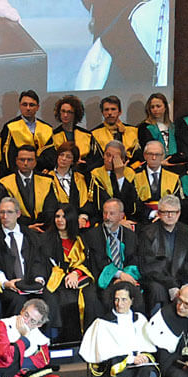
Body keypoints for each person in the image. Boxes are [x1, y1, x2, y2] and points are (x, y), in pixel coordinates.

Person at [137, 194, 188, 312]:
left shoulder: (186, 231)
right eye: (165, 212)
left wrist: (184, 283)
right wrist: (171, 284)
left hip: (182, 277)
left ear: (179, 213)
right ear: (158, 213)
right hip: (158, 279)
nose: (170, 215)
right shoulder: (147, 233)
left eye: (173, 212)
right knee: (156, 290)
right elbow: (149, 266)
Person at [43, 205, 98, 340]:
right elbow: (47, 264)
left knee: (90, 297)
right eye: (57, 217)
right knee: (66, 298)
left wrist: (76, 273)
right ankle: (66, 340)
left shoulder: (81, 239)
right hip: (57, 281)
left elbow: (87, 263)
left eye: (64, 217)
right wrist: (66, 276)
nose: (60, 220)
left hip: (79, 279)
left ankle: (89, 339)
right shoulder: (46, 240)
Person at [86, 197, 141, 291]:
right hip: (105, 281)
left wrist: (123, 278)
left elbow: (133, 260)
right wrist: (119, 275)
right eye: (105, 213)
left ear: (121, 216)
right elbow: (99, 262)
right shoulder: (93, 235)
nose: (107, 217)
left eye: (112, 213)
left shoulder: (130, 235)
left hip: (127, 279)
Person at [0, 145, 56, 227]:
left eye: (30, 160)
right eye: (22, 160)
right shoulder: (4, 183)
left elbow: (50, 208)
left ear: (35, 161)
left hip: (43, 228)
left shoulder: (47, 181)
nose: (25, 163)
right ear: (16, 161)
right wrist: (27, 227)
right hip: (17, 228)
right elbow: (7, 212)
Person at [0, 90, 54, 171]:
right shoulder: (10, 127)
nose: (28, 108)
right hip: (17, 174)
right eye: (24, 105)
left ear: (37, 107)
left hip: (43, 174)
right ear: (20, 106)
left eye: (31, 105)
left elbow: (50, 157)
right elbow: (8, 158)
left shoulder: (47, 128)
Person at [90, 139, 142, 222]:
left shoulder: (129, 173)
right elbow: (98, 204)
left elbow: (132, 205)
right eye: (108, 155)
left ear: (123, 160)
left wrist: (120, 176)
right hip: (103, 219)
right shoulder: (96, 174)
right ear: (103, 155)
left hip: (127, 219)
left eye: (115, 158)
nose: (110, 160)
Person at [45, 140, 94, 226]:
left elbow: (85, 201)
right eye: (61, 155)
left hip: (78, 222)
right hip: (55, 223)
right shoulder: (47, 177)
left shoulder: (79, 178)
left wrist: (82, 217)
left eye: (68, 157)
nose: (63, 158)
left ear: (73, 161)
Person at [48, 95, 99, 173]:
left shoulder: (87, 135)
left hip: (84, 174)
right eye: (63, 111)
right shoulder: (52, 136)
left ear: (76, 114)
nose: (65, 115)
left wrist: (85, 164)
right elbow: (49, 159)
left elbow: (96, 158)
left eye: (69, 112)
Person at [137, 140, 182, 220]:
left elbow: (177, 202)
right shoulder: (135, 175)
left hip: (168, 218)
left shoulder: (173, 176)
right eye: (150, 154)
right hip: (143, 219)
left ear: (163, 156)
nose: (154, 158)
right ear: (144, 155)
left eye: (157, 154)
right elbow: (133, 202)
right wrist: (153, 213)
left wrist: (165, 214)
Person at [91, 95, 141, 159]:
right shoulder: (94, 134)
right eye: (106, 110)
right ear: (102, 112)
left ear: (120, 112)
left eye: (113, 109)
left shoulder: (134, 131)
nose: (109, 112)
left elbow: (139, 157)